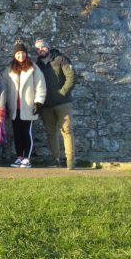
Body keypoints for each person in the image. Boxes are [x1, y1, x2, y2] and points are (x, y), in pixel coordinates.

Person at [3, 40, 46, 168]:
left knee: (27, 133)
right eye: (18, 54)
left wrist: (39, 101)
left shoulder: (33, 67)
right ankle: (19, 157)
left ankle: (27, 158)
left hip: (27, 106)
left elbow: (40, 85)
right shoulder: (9, 69)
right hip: (14, 107)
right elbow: (4, 86)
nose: (20, 56)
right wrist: (4, 103)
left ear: (26, 54)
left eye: (22, 53)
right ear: (14, 55)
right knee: (16, 133)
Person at [35, 38, 76, 169]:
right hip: (46, 105)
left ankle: (70, 161)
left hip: (63, 103)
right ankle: (55, 160)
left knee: (67, 131)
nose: (41, 50)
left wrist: (62, 93)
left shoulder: (61, 59)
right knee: (51, 133)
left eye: (43, 47)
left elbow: (71, 78)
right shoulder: (37, 65)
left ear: (48, 47)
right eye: (38, 49)